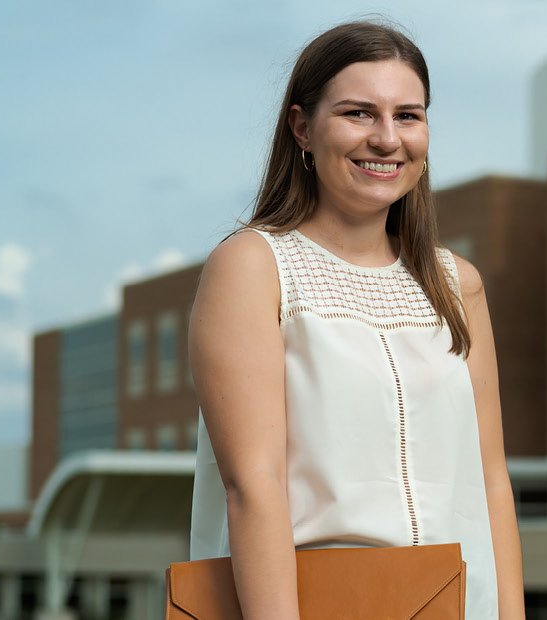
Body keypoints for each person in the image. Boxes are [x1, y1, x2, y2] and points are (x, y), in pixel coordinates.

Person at [186, 21, 523, 620]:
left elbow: (492, 481)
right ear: (301, 128)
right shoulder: (253, 267)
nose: (388, 139)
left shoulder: (457, 284)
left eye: (408, 116)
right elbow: (253, 486)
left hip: (457, 606)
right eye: (359, 114)